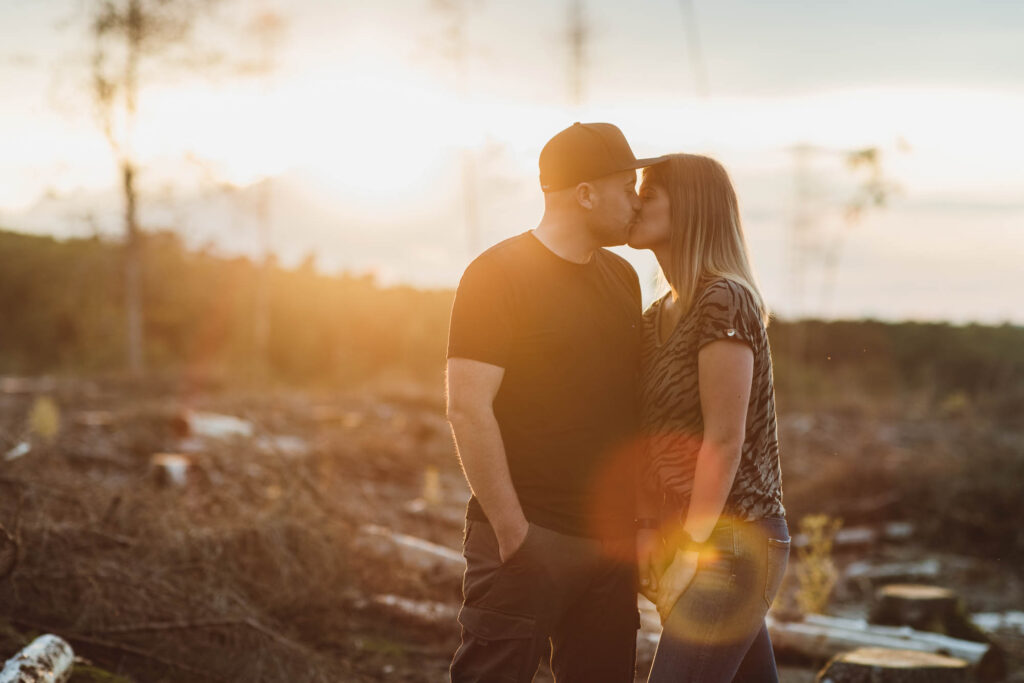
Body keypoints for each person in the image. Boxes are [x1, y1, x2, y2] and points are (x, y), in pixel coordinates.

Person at [445, 122, 662, 682]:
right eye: (626, 187)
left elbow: (625, 411)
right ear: (585, 192)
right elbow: (468, 408)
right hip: (526, 538)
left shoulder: (622, 278)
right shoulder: (496, 275)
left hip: (610, 550)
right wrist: (514, 531)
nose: (635, 202)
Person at [627, 154, 789, 682]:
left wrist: (692, 552)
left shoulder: (724, 300)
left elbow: (723, 439)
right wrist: (652, 530)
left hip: (735, 543)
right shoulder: (657, 317)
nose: (634, 202)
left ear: (691, 207)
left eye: (648, 193)